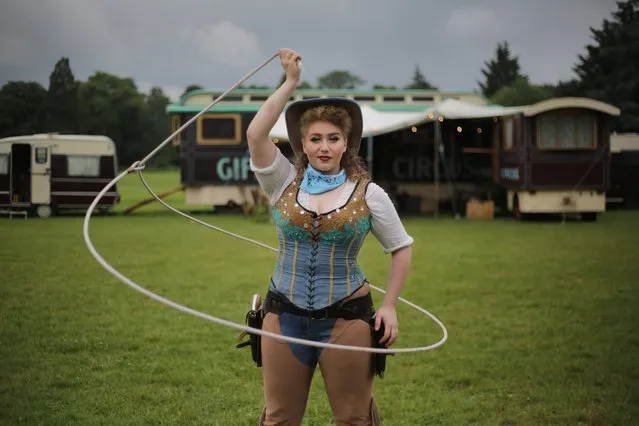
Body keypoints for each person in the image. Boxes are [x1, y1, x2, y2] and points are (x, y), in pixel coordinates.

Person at [245, 48, 414, 425]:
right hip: (283, 315)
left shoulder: (369, 193)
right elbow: (256, 134)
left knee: (354, 418)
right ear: (302, 145)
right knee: (279, 419)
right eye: (316, 138)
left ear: (346, 144)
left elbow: (401, 248)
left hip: (347, 320)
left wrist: (388, 307)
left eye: (333, 138)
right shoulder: (282, 181)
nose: (324, 147)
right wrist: (290, 83)